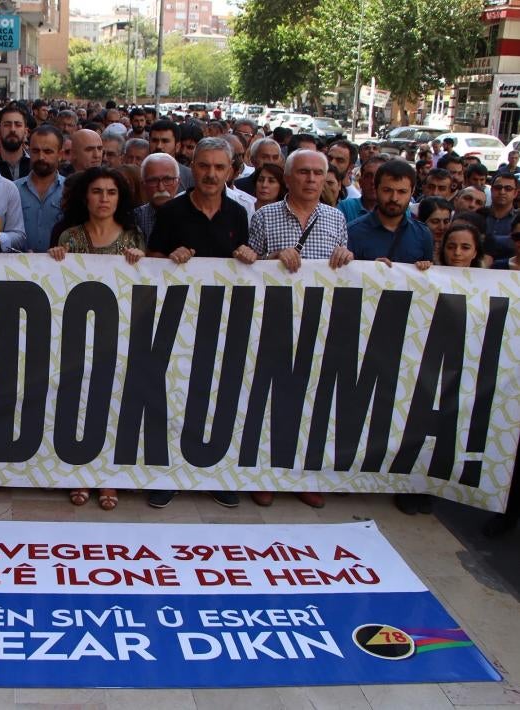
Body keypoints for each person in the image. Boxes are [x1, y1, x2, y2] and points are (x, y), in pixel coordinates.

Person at [145, 137, 252, 510]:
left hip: (222, 325)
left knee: (219, 400)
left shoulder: (238, 214)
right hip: (177, 323)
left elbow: (245, 262)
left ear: (230, 171)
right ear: (193, 167)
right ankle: (169, 476)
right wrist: (168, 258)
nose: (211, 174)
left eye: (219, 167)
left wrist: (248, 255)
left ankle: (215, 474)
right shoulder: (172, 212)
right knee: (175, 399)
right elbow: (151, 259)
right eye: (204, 166)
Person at [244, 149, 353, 509]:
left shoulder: (336, 218)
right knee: (268, 403)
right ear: (288, 178)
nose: (311, 179)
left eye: (318, 173)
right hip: (272, 324)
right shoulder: (265, 216)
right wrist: (271, 259)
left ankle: (303, 478)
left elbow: (344, 266)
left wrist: (347, 258)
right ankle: (265, 476)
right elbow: (246, 267)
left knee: (311, 404)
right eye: (303, 172)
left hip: (319, 326)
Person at [49, 166, 146, 512]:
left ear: (120, 199)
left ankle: (108, 476)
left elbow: (145, 285)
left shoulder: (133, 238)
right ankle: (80, 473)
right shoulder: (69, 237)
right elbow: (54, 285)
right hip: (76, 337)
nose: (104, 198)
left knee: (114, 403)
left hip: (120, 336)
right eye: (97, 191)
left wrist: (142, 261)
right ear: (85, 197)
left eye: (111, 192)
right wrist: (54, 261)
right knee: (77, 402)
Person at [348, 159, 432, 268]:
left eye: (402, 192)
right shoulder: (352, 233)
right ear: (376, 189)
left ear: (412, 191)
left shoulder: (423, 234)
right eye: (387, 190)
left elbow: (429, 276)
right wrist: (370, 269)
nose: (394, 198)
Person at [15, 124, 65, 253]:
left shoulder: (70, 191)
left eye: (48, 151)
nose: (41, 157)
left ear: (60, 154)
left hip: (60, 263)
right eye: (35, 151)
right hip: (18, 263)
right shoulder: (13, 189)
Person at [134, 152, 181, 239]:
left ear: (178, 182)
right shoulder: (135, 219)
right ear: (143, 185)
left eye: (167, 180)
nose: (161, 188)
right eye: (153, 180)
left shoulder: (192, 217)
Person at [338, 155, 388, 223]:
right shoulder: (345, 207)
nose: (373, 181)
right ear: (360, 182)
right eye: (368, 176)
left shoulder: (396, 210)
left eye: (379, 176)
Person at [484, 172, 519, 268]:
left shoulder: (518, 218)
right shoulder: (479, 214)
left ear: (515, 193)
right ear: (491, 190)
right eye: (498, 188)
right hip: (479, 270)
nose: (502, 192)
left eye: (508, 189)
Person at [148, 119, 194, 191]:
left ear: (177, 146)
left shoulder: (190, 177)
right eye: (154, 140)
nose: (159, 146)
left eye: (165, 141)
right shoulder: (140, 173)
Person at [0, 107, 31, 180]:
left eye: (18, 125)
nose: (12, 129)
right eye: (7, 125)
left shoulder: (35, 163)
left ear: (26, 132)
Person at [417, 196, 453, 262]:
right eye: (435, 222)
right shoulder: (412, 247)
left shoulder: (456, 249)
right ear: (421, 222)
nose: (441, 227)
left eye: (446, 222)